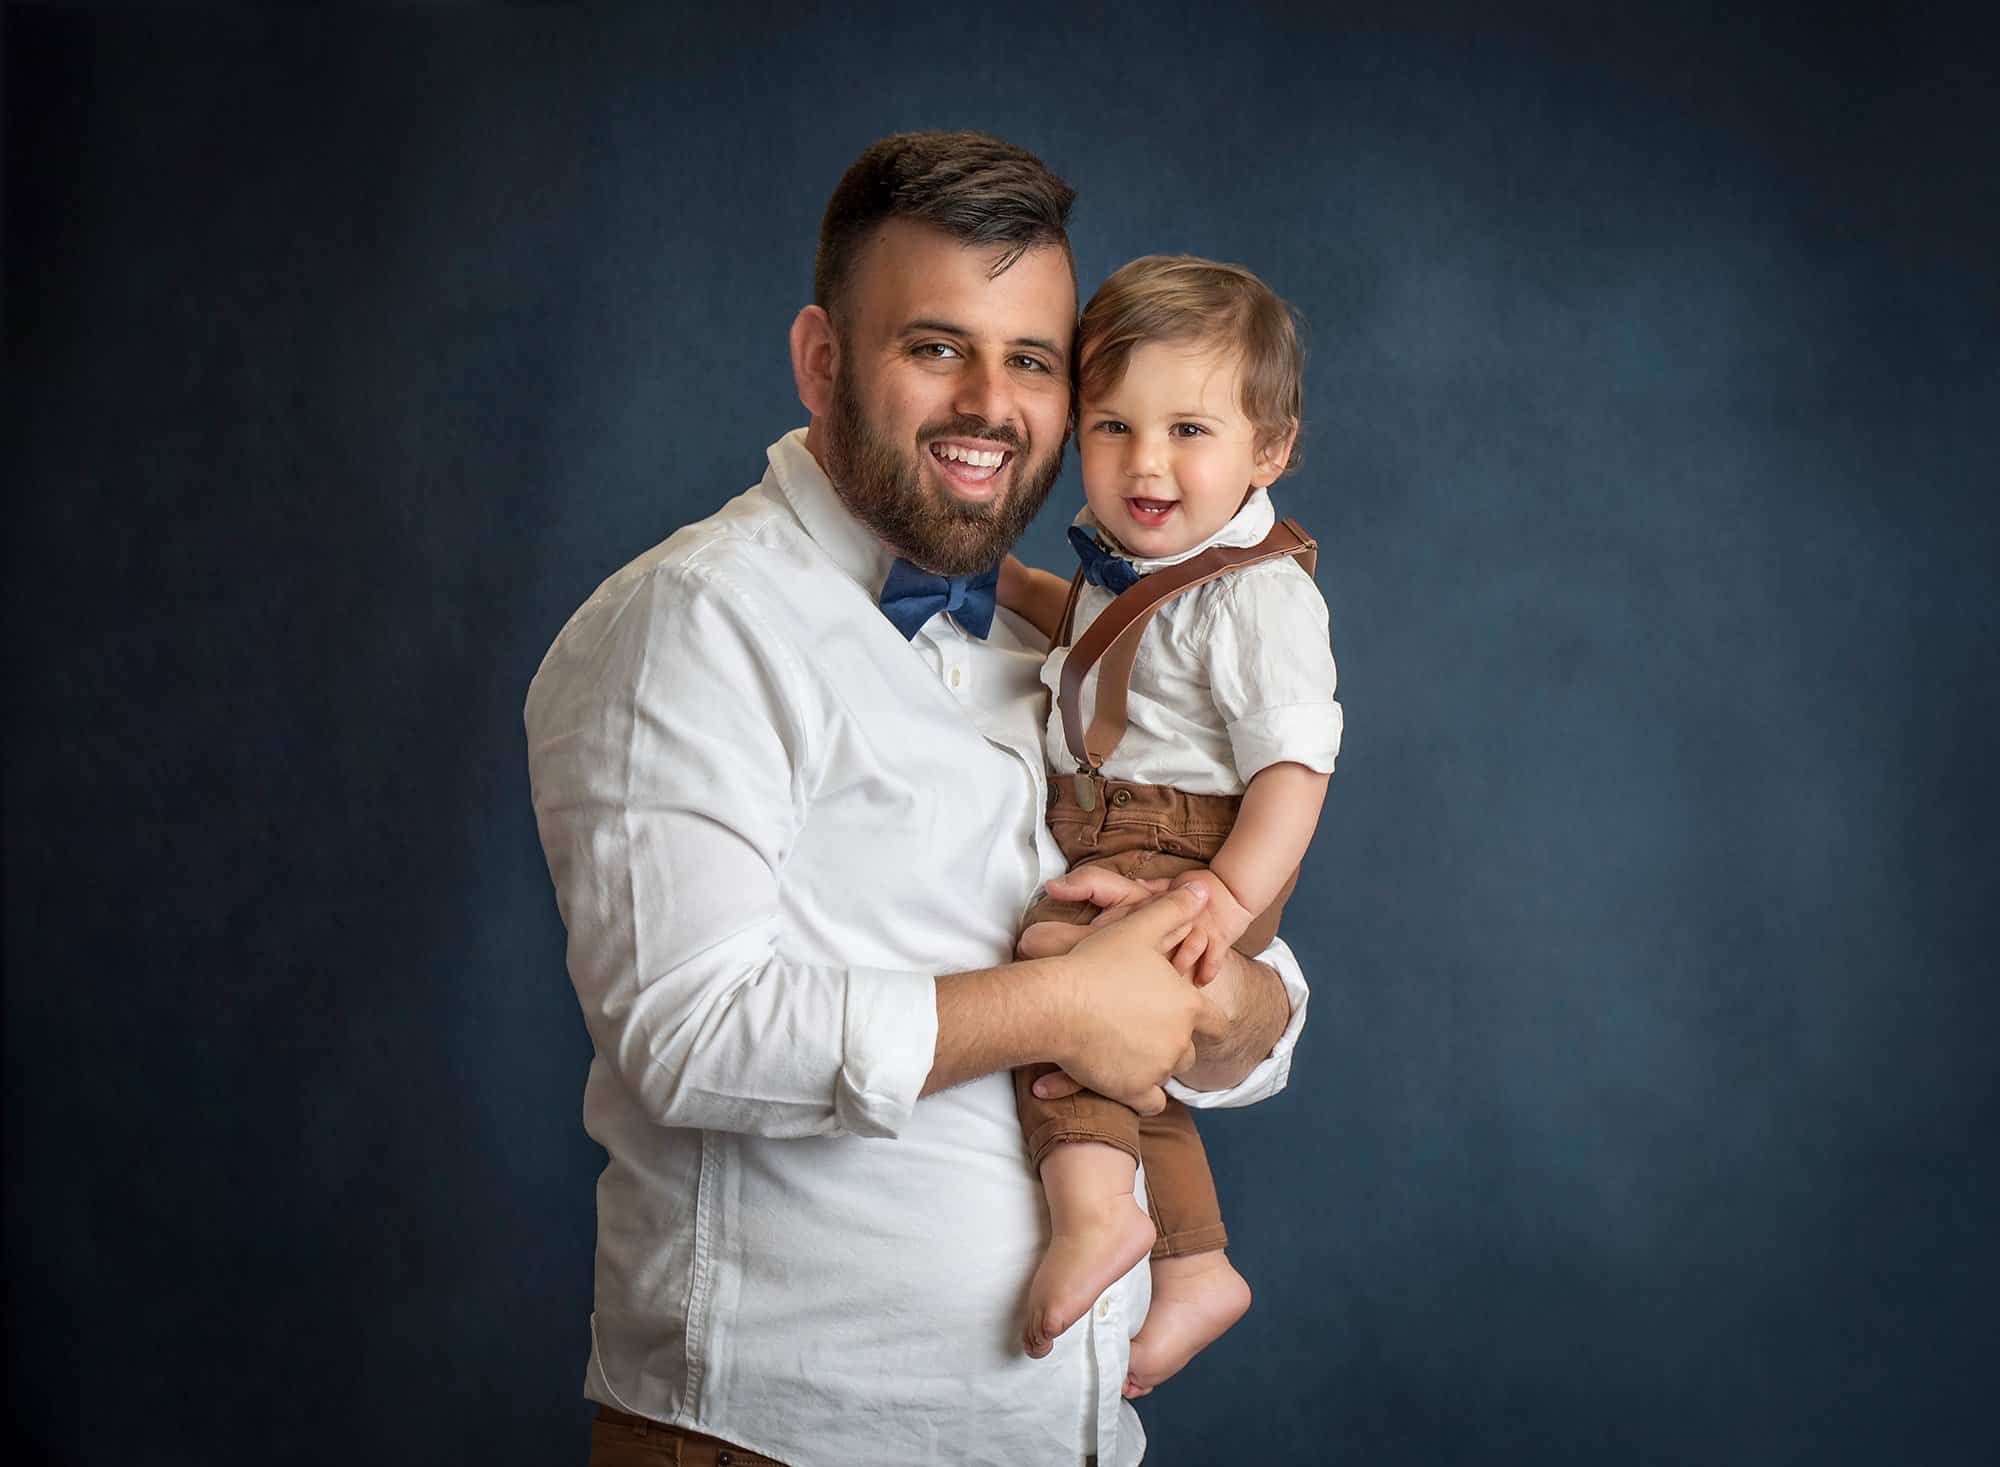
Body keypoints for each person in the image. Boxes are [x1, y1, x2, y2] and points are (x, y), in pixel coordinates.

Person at [524, 131, 1311, 1467]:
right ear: (824, 360)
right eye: (937, 347)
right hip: (765, 1439)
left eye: (1033, 360)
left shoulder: (1067, 644)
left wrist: (1227, 996)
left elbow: (1239, 992)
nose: (991, 404)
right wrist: (1064, 1004)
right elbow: (687, 1027)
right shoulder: (694, 624)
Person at [995, 257, 1342, 1398]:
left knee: (1063, 983)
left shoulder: (1253, 592)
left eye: (1188, 428)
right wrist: (1003, 583)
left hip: (1185, 846)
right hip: (1119, 832)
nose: (1145, 463)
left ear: (1268, 450)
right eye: (1112, 426)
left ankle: (1097, 1217)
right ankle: (1195, 1263)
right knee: (1108, 1025)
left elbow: (1295, 764)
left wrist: (1225, 901)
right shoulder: (1137, 558)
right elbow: (1100, 644)